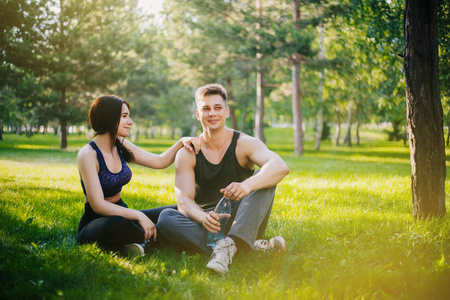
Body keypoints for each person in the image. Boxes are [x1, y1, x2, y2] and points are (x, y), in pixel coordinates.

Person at [157, 83, 290, 273]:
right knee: (166, 217)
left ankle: (231, 245)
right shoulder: (188, 153)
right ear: (198, 114)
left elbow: (280, 167)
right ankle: (247, 246)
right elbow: (184, 201)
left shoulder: (244, 143)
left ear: (226, 112)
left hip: (243, 218)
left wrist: (247, 185)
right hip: (209, 223)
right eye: (206, 109)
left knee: (266, 179)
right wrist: (203, 217)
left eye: (218, 108)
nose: (212, 113)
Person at [76, 95, 200, 257]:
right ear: (109, 118)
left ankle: (139, 244)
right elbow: (98, 205)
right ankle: (152, 241)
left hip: (123, 214)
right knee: (117, 223)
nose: (130, 122)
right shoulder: (88, 154)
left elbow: (159, 161)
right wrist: (138, 214)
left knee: (179, 210)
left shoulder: (120, 144)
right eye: (124, 116)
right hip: (98, 222)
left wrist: (181, 142)